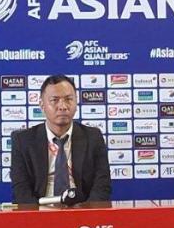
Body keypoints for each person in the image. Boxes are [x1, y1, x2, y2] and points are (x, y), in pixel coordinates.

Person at [11, 74, 111, 204]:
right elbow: (21, 190)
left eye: (69, 99)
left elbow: (102, 186)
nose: (62, 106)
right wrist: (36, 219)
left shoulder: (93, 137)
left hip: (82, 212)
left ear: (76, 102)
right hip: (41, 213)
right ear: (42, 105)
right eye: (55, 100)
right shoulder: (23, 140)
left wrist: (88, 215)